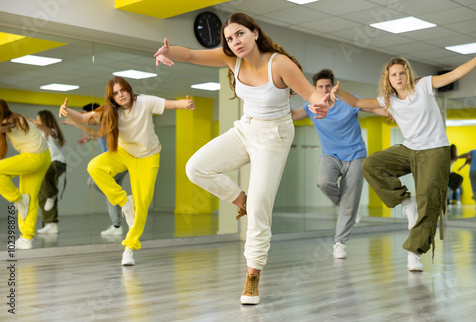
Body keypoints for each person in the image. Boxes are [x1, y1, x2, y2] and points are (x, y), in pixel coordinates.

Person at [154, 12, 332, 305]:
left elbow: (311, 95)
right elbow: (193, 55)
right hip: (246, 128)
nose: (234, 42)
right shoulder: (231, 59)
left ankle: (252, 276)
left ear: (255, 33)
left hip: (274, 135)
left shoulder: (280, 64)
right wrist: (169, 51)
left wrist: (320, 105)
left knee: (262, 205)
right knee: (196, 167)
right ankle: (242, 201)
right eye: (228, 38)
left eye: (239, 34)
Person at [331, 47, 476, 272]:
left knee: (429, 201)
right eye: (393, 75)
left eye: (401, 73)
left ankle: (413, 253)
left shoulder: (423, 86)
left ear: (408, 74)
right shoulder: (388, 100)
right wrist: (337, 93)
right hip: (410, 149)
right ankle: (406, 202)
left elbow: (454, 75)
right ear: (388, 79)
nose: (398, 77)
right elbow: (359, 103)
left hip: (435, 150)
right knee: (371, 164)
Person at [59, 76, 195, 266]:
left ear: (129, 90)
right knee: (94, 167)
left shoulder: (145, 102)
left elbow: (171, 104)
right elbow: (82, 118)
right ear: (112, 98)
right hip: (123, 153)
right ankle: (124, 202)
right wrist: (66, 111)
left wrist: (186, 103)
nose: (120, 95)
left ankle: (129, 248)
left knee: (142, 206)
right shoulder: (109, 111)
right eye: (115, 93)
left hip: (148, 157)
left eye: (122, 90)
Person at [291, 68, 387, 259]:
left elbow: (373, 108)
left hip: (356, 155)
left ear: (333, 86)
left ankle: (339, 243)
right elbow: (292, 115)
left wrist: (395, 113)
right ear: (315, 88)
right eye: (320, 87)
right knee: (324, 182)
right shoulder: (311, 106)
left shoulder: (347, 101)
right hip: (330, 156)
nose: (324, 89)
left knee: (350, 200)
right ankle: (348, 206)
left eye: (327, 86)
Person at [62, 103, 128, 237]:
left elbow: (96, 132)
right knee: (109, 193)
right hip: (115, 165)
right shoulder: (103, 126)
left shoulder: (107, 124)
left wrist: (75, 123)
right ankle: (116, 225)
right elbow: (98, 135)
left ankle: (122, 202)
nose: (87, 119)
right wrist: (89, 138)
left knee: (93, 182)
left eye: (88, 116)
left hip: (116, 164)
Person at [0, 99, 51, 249]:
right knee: (29, 197)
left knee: (23, 198)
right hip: (42, 157)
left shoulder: (11, 120)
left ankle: (17, 199)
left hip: (33, 157)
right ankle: (27, 238)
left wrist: (16, 198)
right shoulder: (15, 118)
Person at [30, 110, 67, 234]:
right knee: (41, 194)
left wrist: (31, 122)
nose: (37, 121)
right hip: (46, 164)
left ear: (44, 120)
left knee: (47, 187)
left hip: (57, 163)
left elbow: (47, 130)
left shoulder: (52, 132)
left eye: (39, 119)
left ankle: (52, 194)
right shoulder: (40, 134)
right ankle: (51, 224)